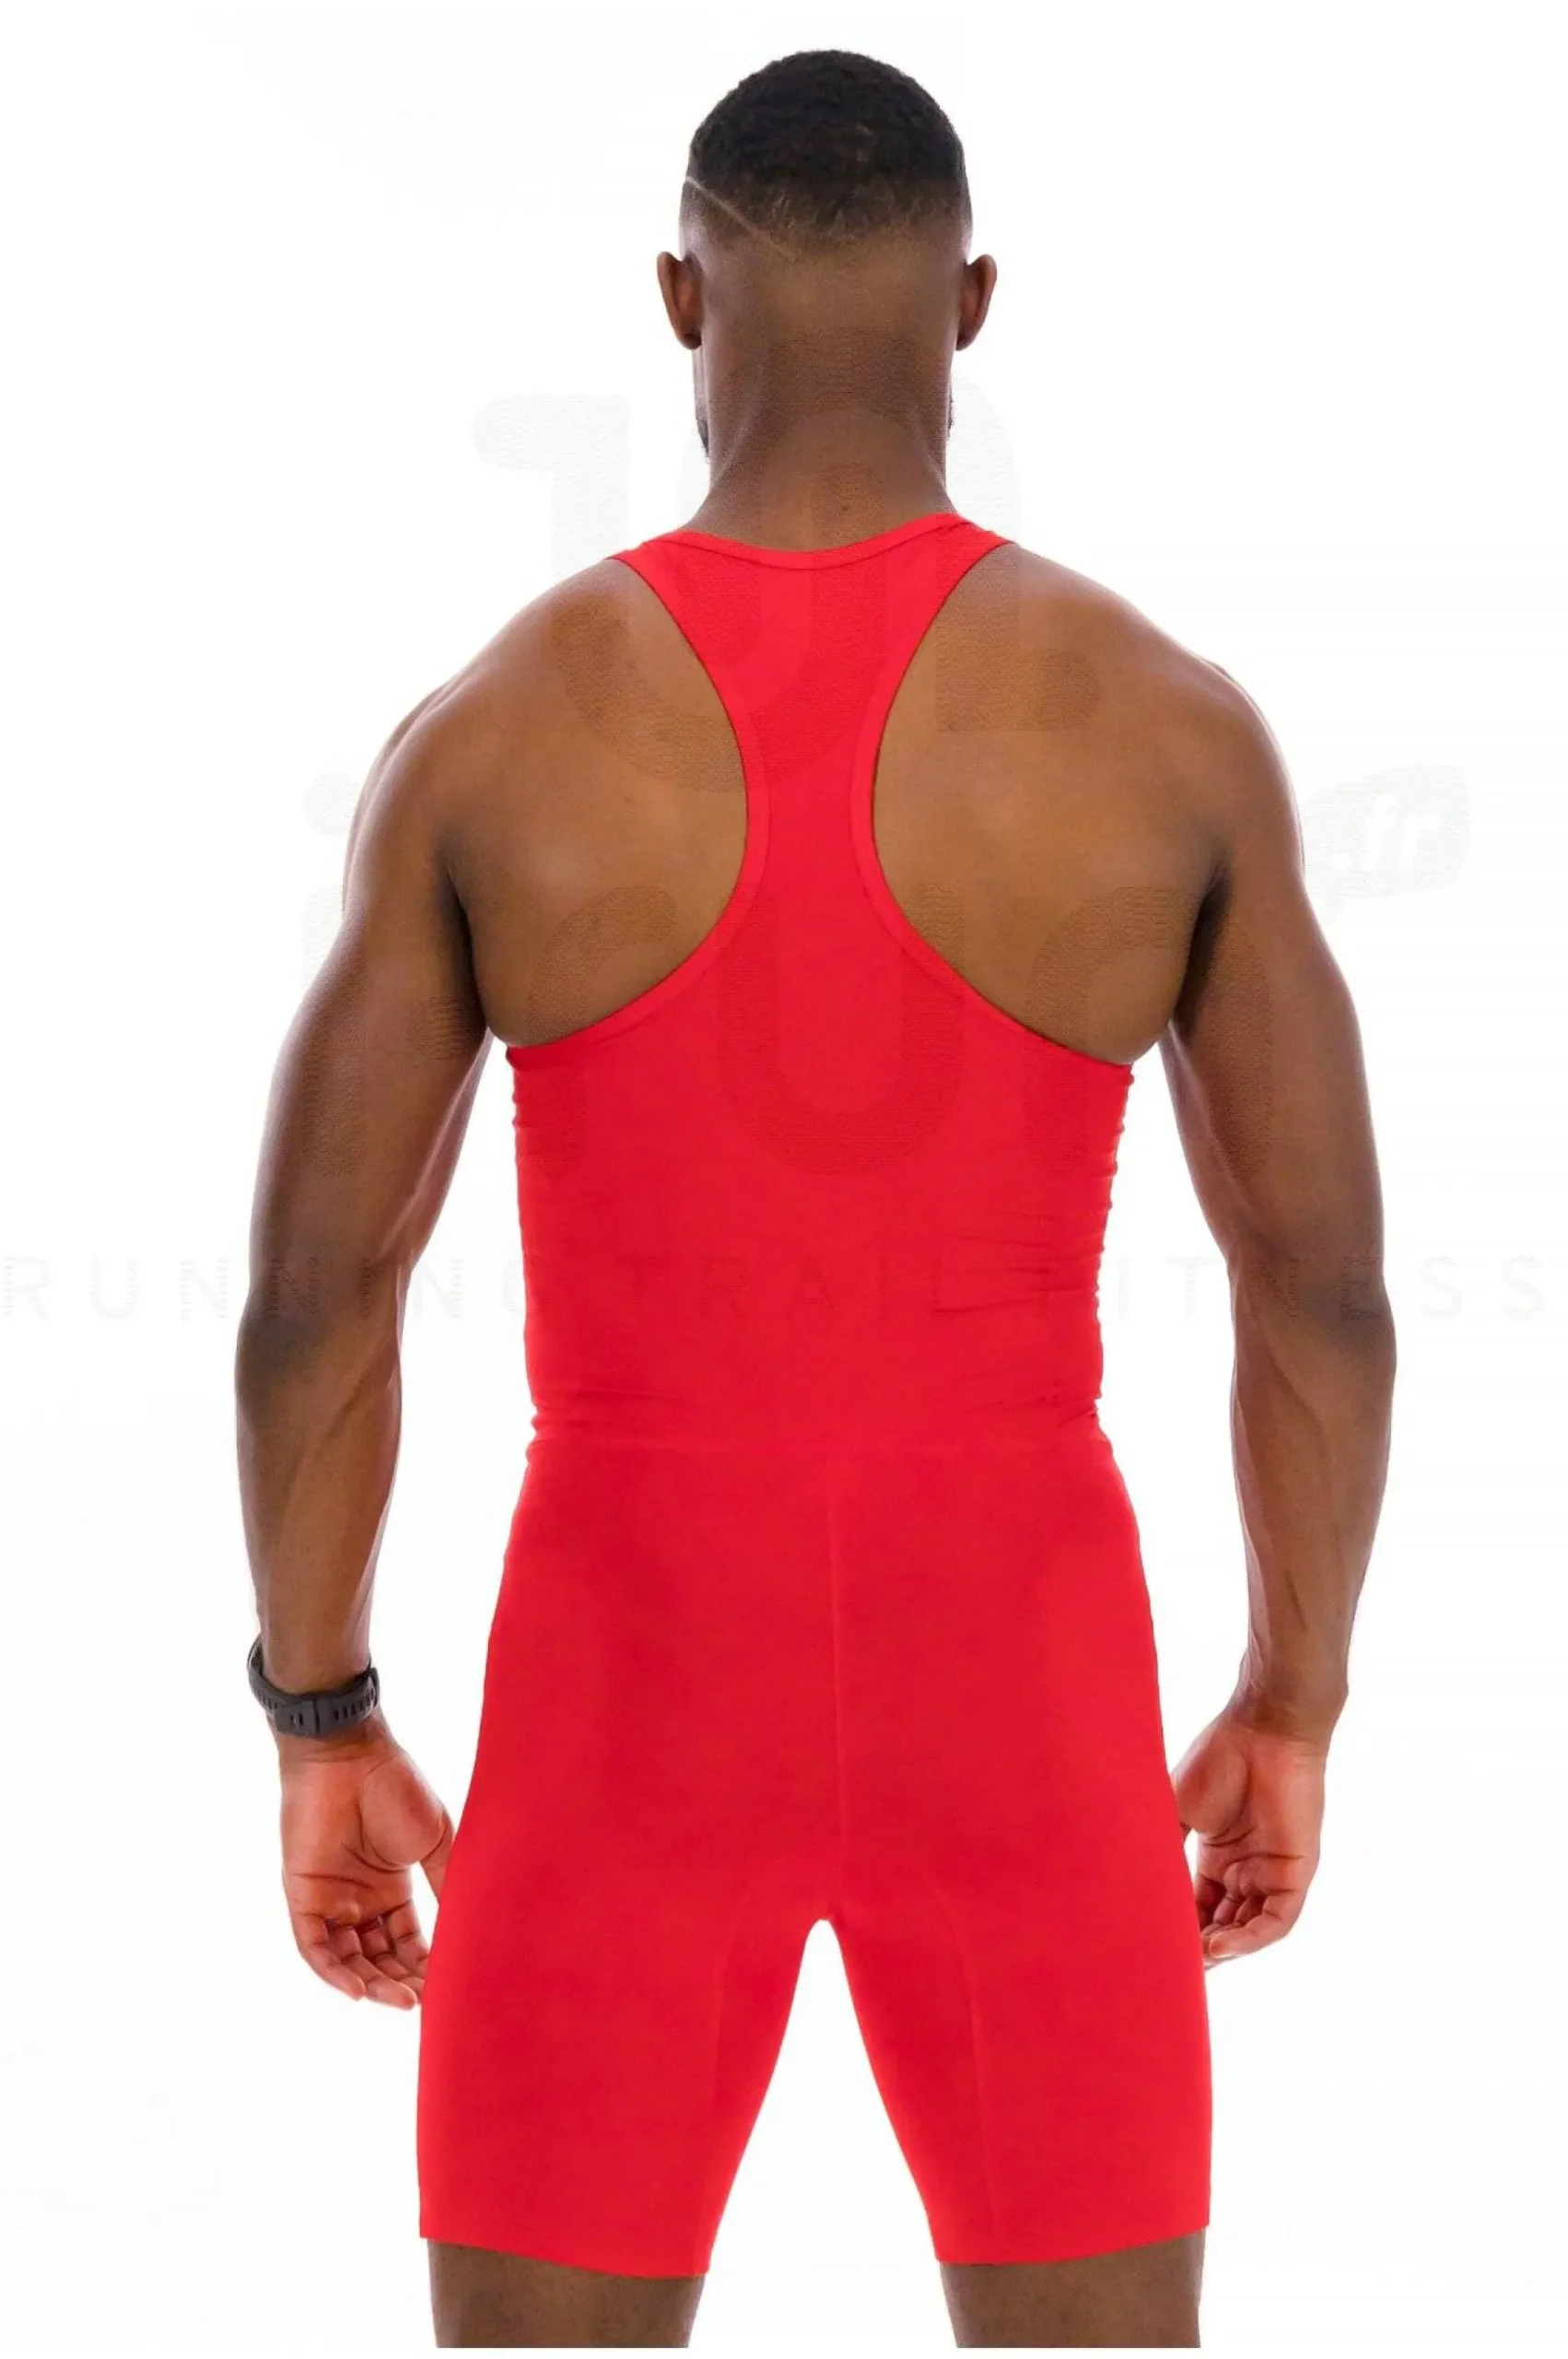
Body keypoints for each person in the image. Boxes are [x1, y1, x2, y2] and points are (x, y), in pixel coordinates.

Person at [235, 48, 1396, 2351]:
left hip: (625, 1690)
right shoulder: (1164, 727)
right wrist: (1290, 1693)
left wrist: (321, 1709)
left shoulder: (496, 728)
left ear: (684, 297)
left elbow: (311, 1297)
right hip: (1026, 1687)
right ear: (969, 304)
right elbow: (1321, 1290)